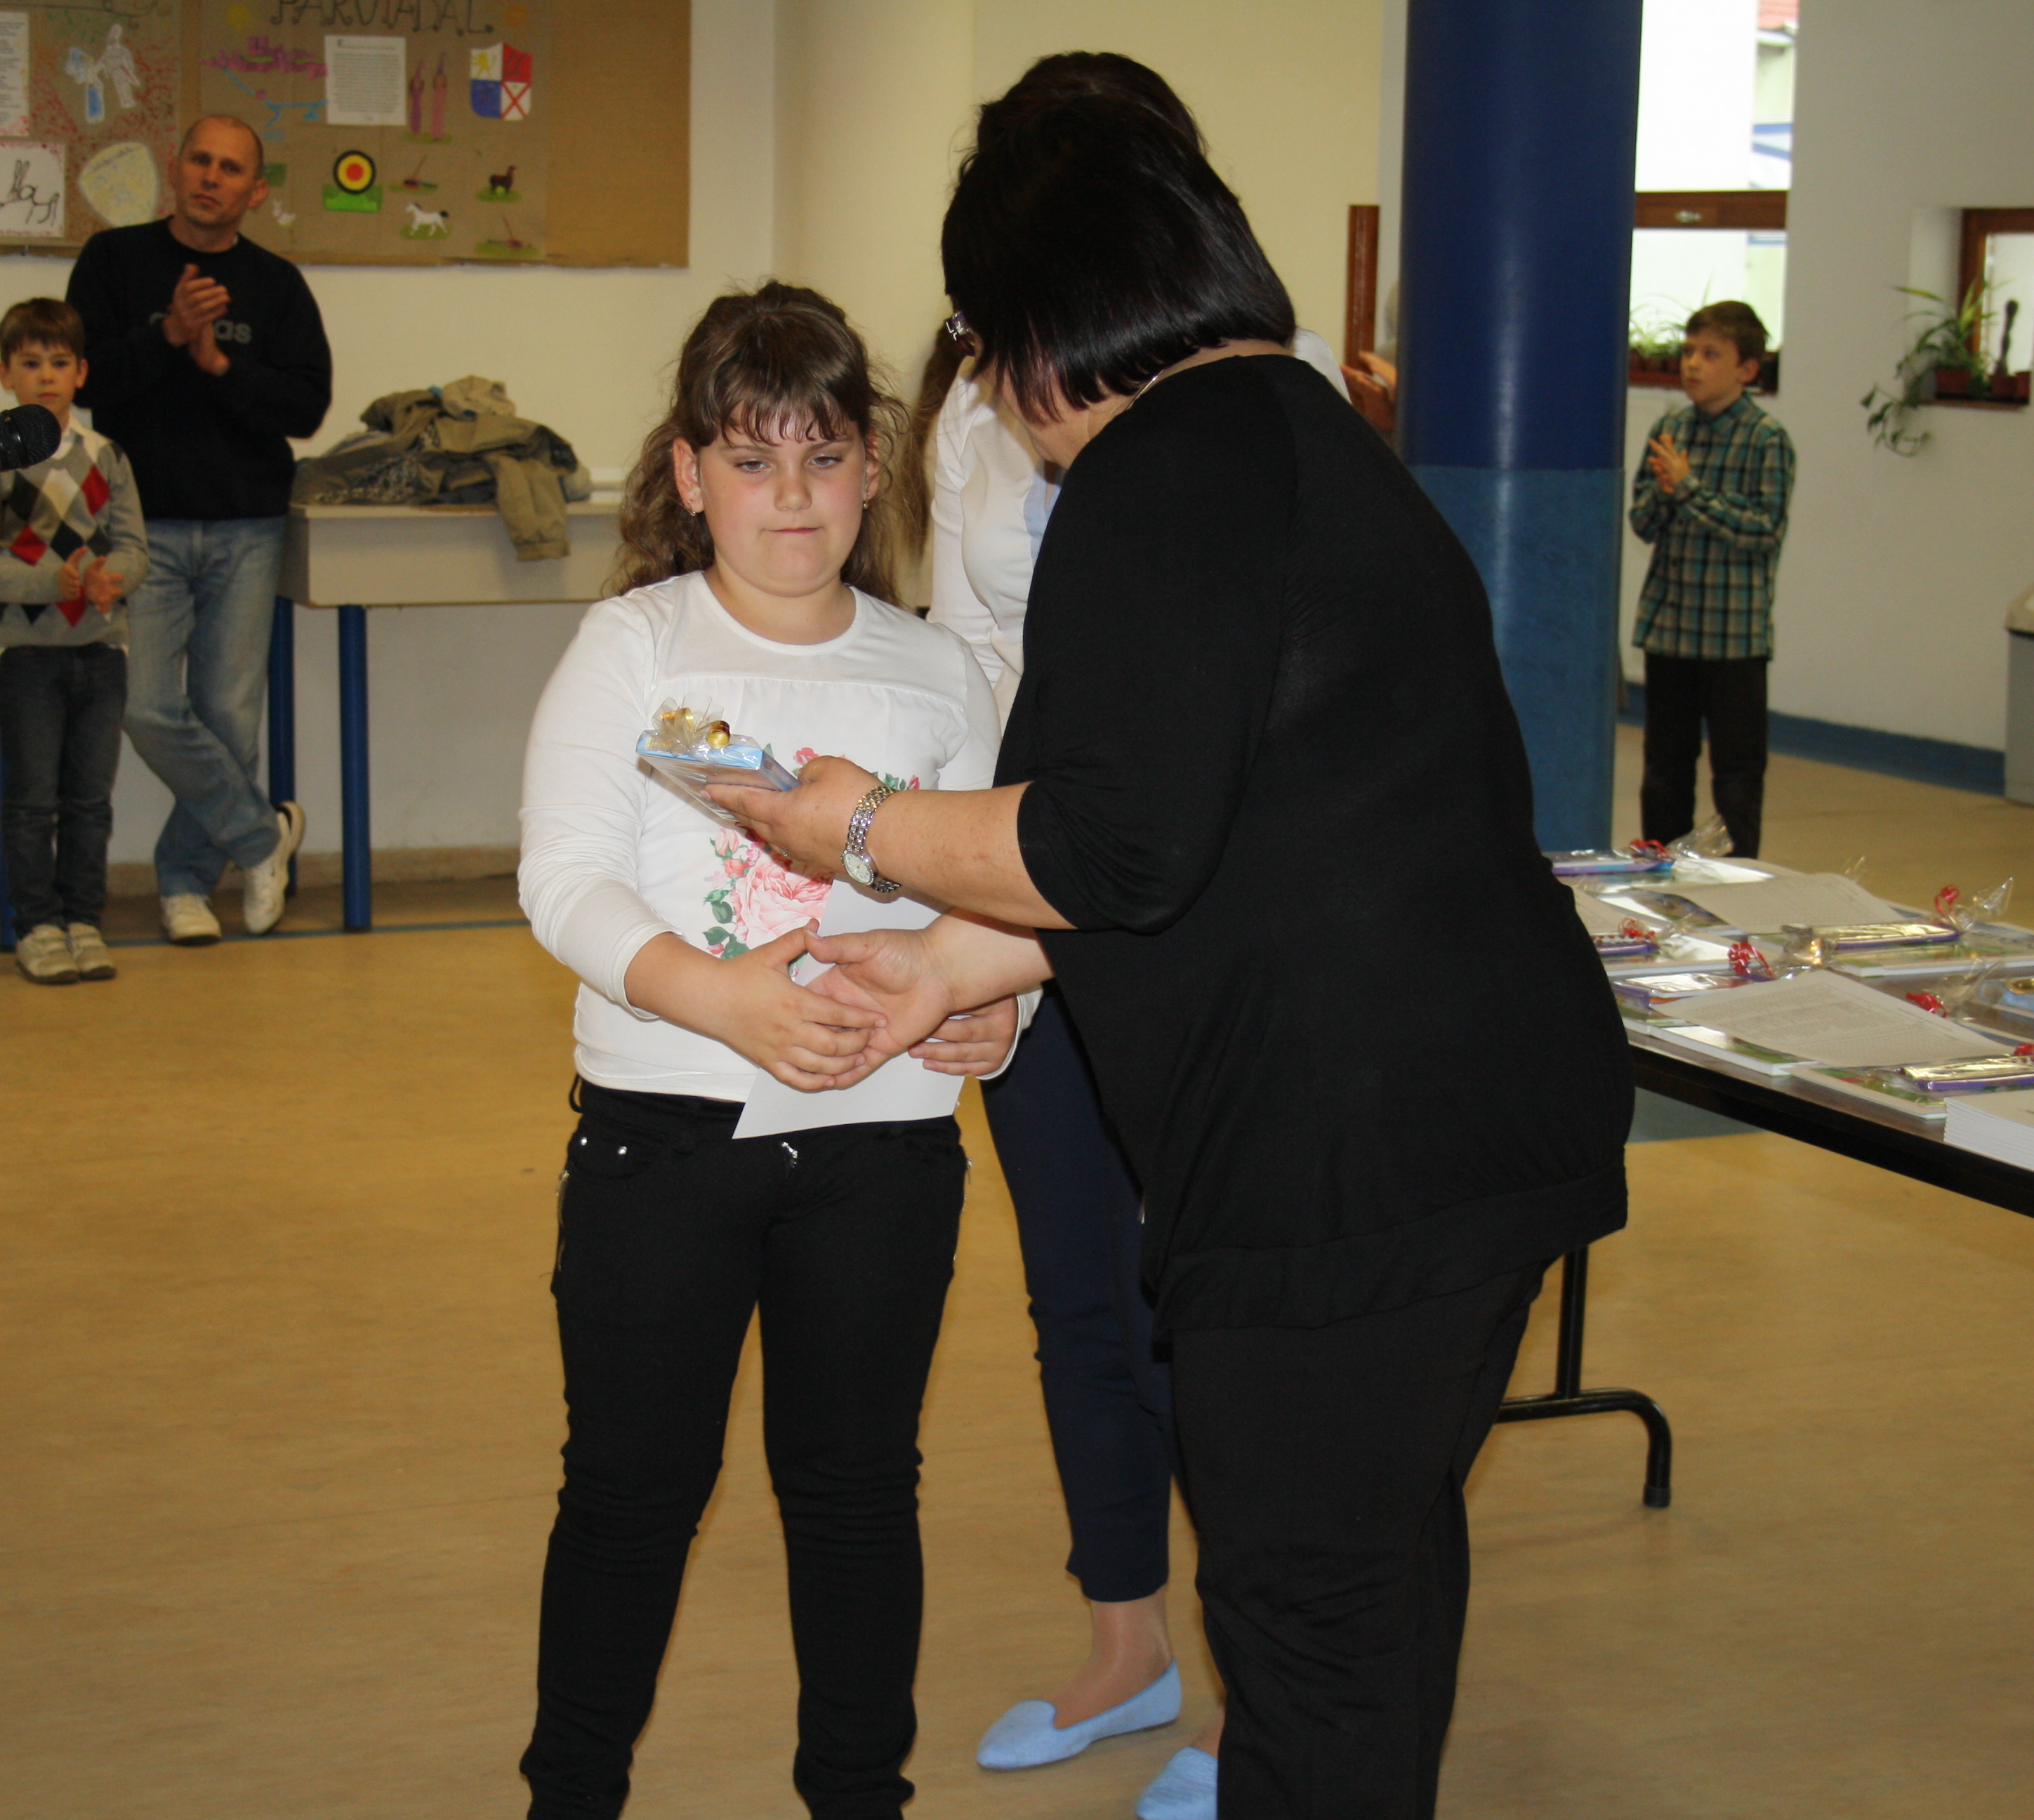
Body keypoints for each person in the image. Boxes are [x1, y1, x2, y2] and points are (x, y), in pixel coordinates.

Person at [717, 88, 1632, 1820]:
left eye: (985, 335)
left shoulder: (1155, 472)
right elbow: (1233, 828)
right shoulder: (1301, 431)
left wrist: (857, 822)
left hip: (1342, 1173)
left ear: (1046, 316)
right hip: (1487, 1126)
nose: (992, 384)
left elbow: (1112, 841)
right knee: (1371, 1580)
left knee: (1306, 1634)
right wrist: (947, 971)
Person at [913, 51, 1353, 1820]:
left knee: (1219, 1304)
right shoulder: (971, 407)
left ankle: (1254, 1694)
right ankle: (1126, 1640)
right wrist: (959, 909)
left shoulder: (1254, 391)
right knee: (1076, 1291)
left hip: (1204, 916)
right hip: (1032, 894)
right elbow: (968, 666)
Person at [514, 282, 1018, 1819]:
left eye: (822, 456)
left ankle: (860, 1794)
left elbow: (1003, 891)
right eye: (750, 459)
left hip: (886, 1152)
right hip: (661, 1144)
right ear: (688, 473)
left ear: (872, 467)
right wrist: (721, 1000)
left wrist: (993, 1004)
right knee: (631, 1494)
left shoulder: (938, 671)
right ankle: (571, 1794)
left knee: (858, 1497)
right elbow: (565, 882)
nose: (790, 495)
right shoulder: (632, 646)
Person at [68, 114, 331, 945]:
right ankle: (260, 837)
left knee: (228, 717)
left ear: (255, 192)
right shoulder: (113, 261)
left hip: (247, 525)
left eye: (230, 168)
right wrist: (170, 335)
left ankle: (186, 883)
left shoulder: (277, 284)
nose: (211, 177)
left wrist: (219, 365)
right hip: (138, 527)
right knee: (145, 706)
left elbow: (307, 407)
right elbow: (85, 380)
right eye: (199, 161)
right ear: (176, 169)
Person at [0, 298, 147, 984]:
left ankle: (84, 921)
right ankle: (36, 927)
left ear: (81, 373)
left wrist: (110, 578)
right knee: (33, 801)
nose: (45, 376)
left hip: (103, 650)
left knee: (90, 800)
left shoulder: (106, 456)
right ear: (5, 375)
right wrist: (50, 582)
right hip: (28, 657)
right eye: (30, 364)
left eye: (59, 363)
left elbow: (134, 548)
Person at [1630, 299, 1795, 857]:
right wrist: (1666, 491)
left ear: (1747, 369)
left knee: (1737, 775)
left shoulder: (1767, 439)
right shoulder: (1670, 429)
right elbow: (1643, 522)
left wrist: (1689, 489)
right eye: (1688, 352)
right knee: (1664, 770)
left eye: (1711, 354)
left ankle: (1739, 881)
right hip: (1670, 631)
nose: (1693, 365)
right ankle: (1659, 871)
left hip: (1733, 638)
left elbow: (1763, 529)